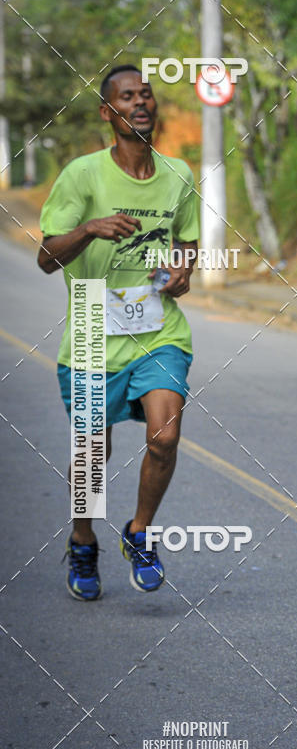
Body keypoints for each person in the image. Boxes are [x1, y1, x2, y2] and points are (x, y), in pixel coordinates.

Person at [38, 64, 199, 601]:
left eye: (146, 94)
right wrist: (89, 228)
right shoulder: (81, 175)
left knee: (165, 436)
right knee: (93, 455)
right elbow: (46, 257)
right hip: (91, 326)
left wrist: (183, 271)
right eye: (127, 97)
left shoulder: (178, 174)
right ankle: (83, 538)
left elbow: (187, 241)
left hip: (158, 328)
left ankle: (140, 531)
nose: (140, 102)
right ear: (108, 112)